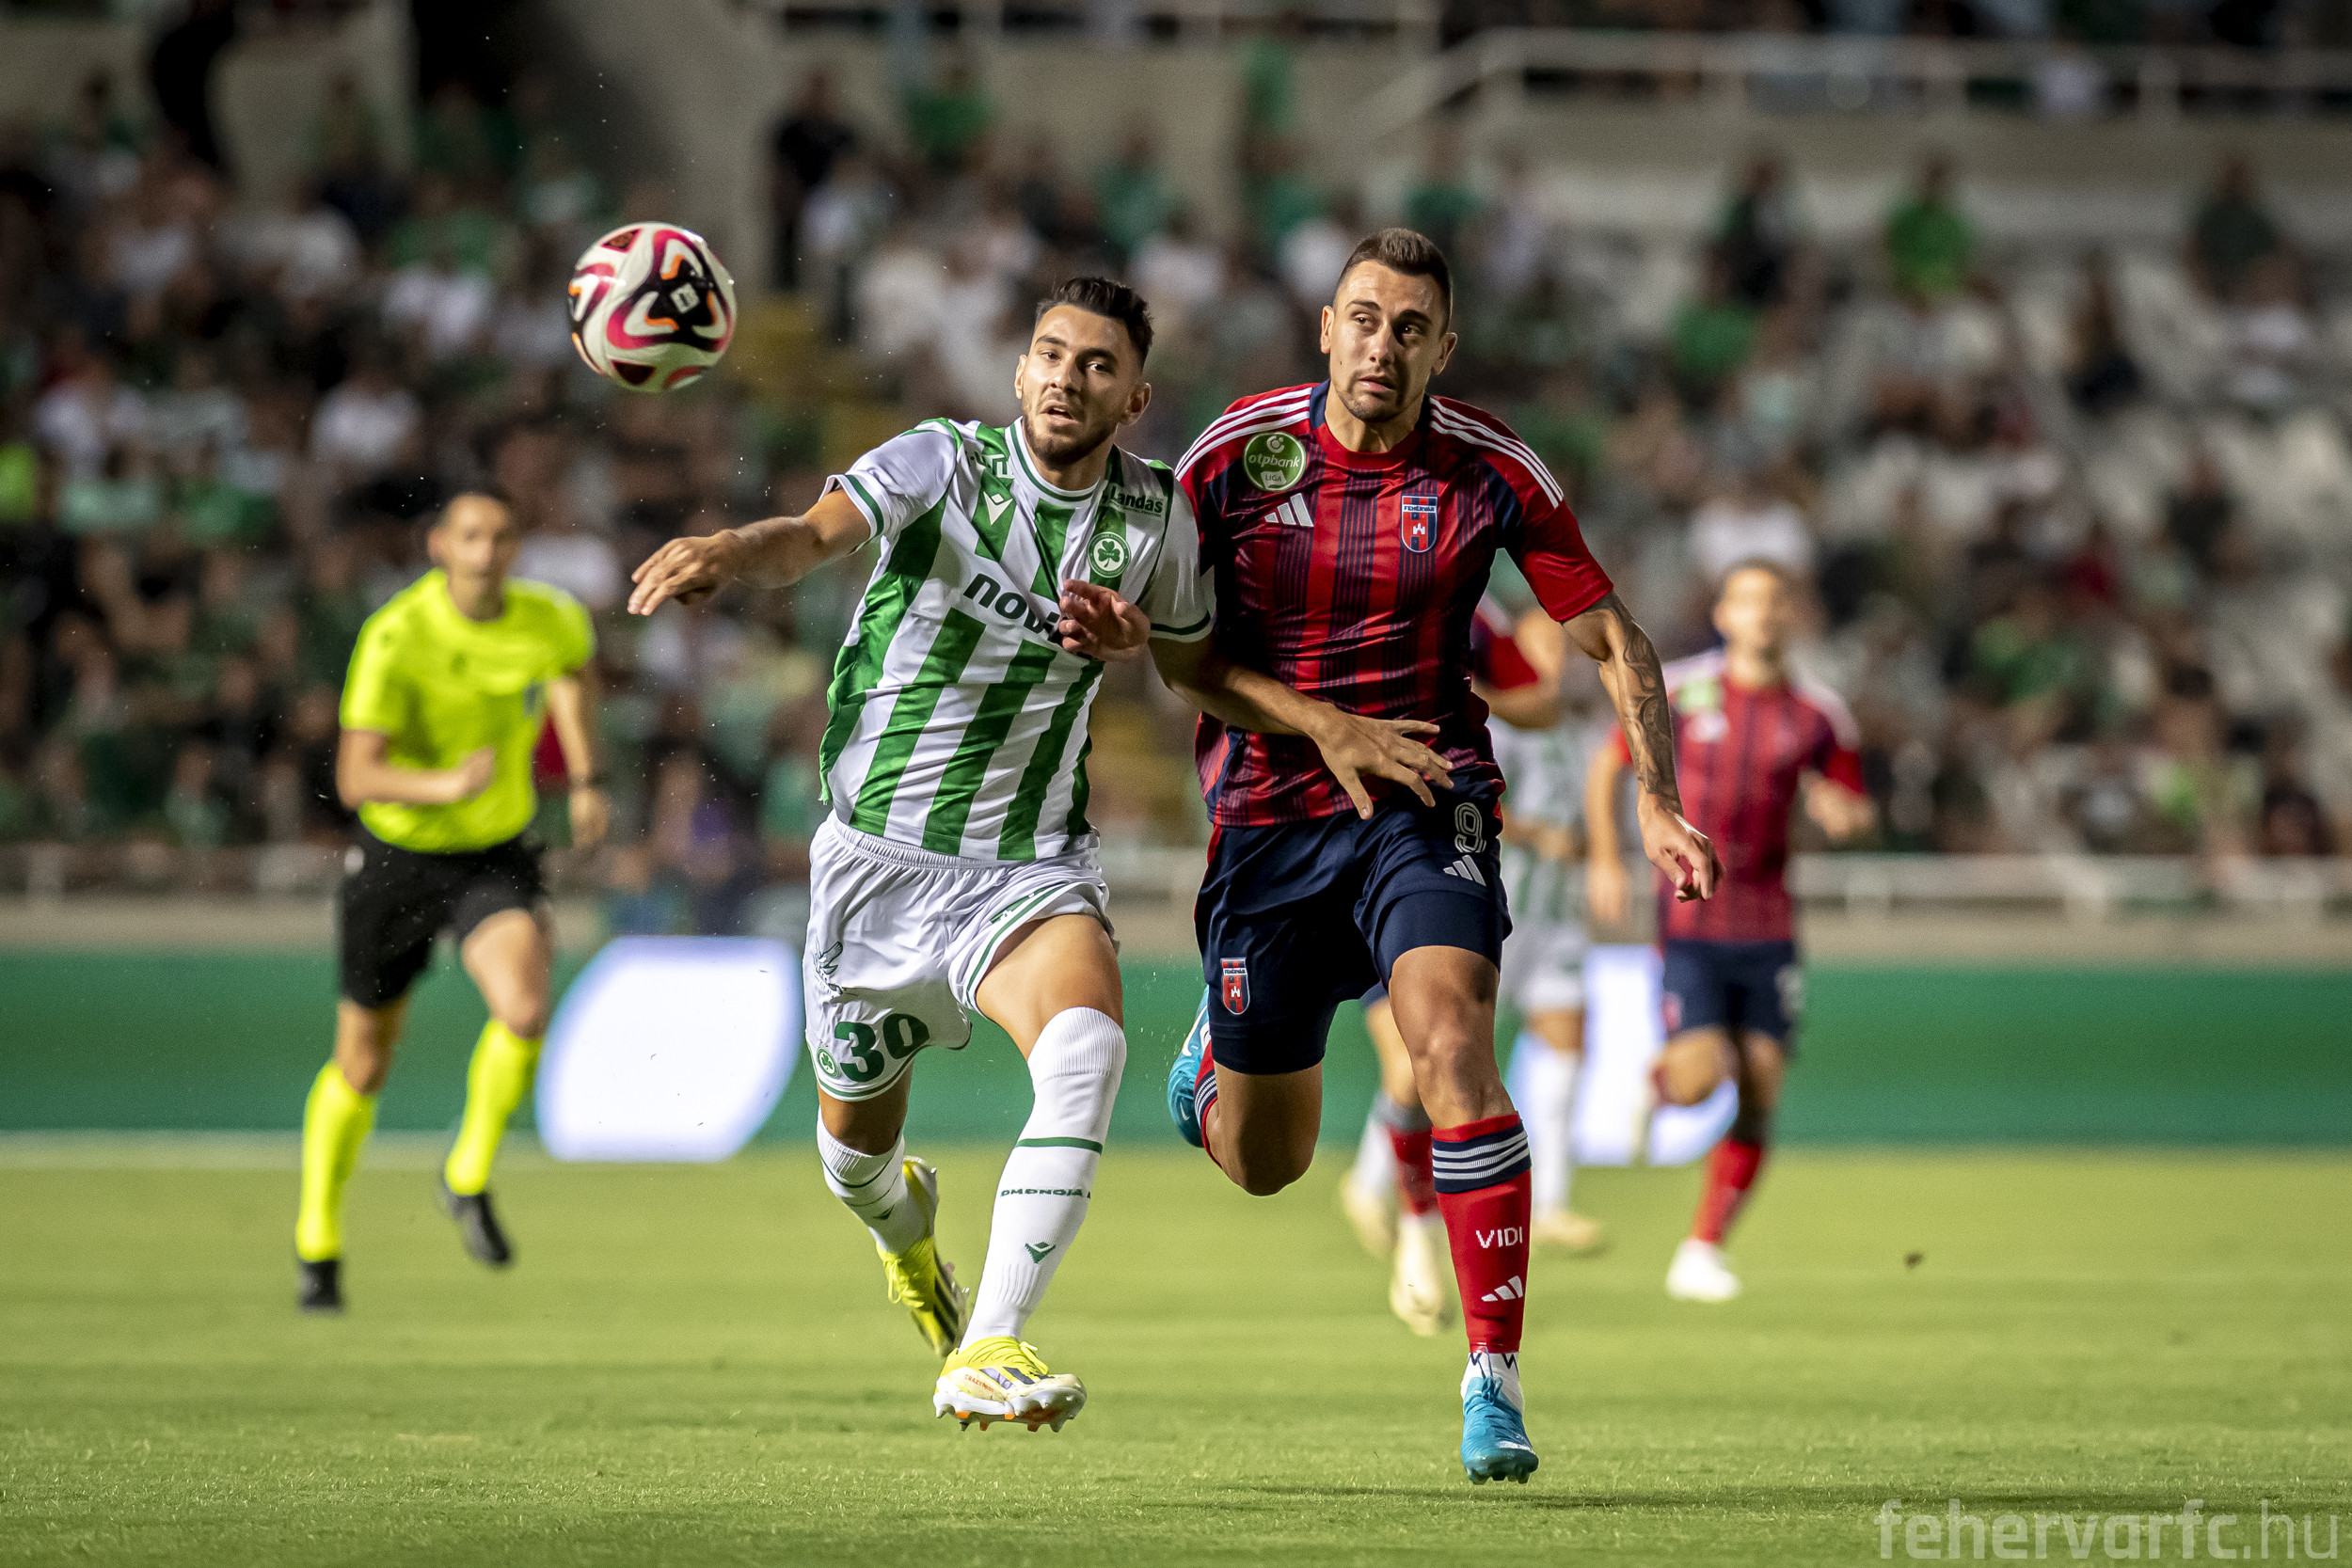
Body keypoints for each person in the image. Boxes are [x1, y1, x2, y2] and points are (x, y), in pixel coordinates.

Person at [1162, 229, 1723, 1485]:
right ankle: (1214, 1054)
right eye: (1364, 318)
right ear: (1325, 325)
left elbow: (1614, 634)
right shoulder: (1233, 457)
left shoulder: (1488, 468)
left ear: (1443, 347)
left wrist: (1659, 798)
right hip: (1268, 817)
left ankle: (1493, 1376)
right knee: (1265, 1162)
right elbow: (1180, 659)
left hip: (1433, 799)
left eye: (1411, 327)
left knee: (1455, 1050)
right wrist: (1322, 725)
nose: (1383, 345)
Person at [627, 278, 1232, 1433]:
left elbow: (1202, 674)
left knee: (1089, 1046)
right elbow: (805, 538)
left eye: (1097, 364)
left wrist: (1139, 644)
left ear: (1134, 395)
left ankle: (987, 1342)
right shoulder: (939, 465)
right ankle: (905, 1231)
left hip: (1024, 864)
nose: (1067, 377)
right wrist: (726, 548)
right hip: (873, 867)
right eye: (1049, 354)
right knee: (855, 1162)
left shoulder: (1157, 520)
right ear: (1018, 373)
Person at [294, 494, 609, 1313]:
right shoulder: (397, 636)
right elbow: (356, 778)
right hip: (396, 857)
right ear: (440, 546)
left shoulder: (549, 618)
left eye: (502, 535)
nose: (486, 550)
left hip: (491, 855)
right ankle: (317, 1241)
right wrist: (445, 782)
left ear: (517, 546)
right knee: (363, 1061)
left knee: (526, 1006)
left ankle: (466, 1174)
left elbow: (570, 681)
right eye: (470, 536)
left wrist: (584, 779)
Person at [1584, 561, 1873, 1306]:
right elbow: (1609, 764)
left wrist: (1845, 813)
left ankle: (1701, 1247)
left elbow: (1853, 800)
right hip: (1690, 918)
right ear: (1724, 612)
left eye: (1776, 601)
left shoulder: (1818, 714)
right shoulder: (1681, 690)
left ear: (1792, 615)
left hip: (1770, 923)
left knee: (1762, 1086)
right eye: (1749, 599)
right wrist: (1606, 857)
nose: (1764, 614)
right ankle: (1655, 1087)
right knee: (1701, 1075)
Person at [1340, 598, 1606, 1346]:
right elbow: (1472, 788)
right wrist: (1537, 834)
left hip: (1545, 912)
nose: (1555, 662)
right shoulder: (1489, 711)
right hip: (1460, 884)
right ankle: (1373, 1182)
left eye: (1562, 651)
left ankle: (1543, 1200)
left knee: (1544, 1041)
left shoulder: (1574, 729)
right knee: (1426, 1062)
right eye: (1539, 648)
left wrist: (1604, 849)